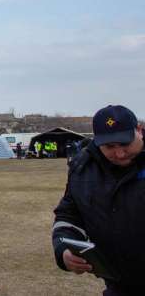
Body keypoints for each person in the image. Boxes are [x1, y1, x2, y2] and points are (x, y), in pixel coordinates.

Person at [52, 105, 144, 295]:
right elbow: (68, 216)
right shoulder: (82, 168)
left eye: (125, 144)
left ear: (139, 130)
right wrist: (64, 248)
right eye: (110, 146)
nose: (119, 154)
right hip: (119, 285)